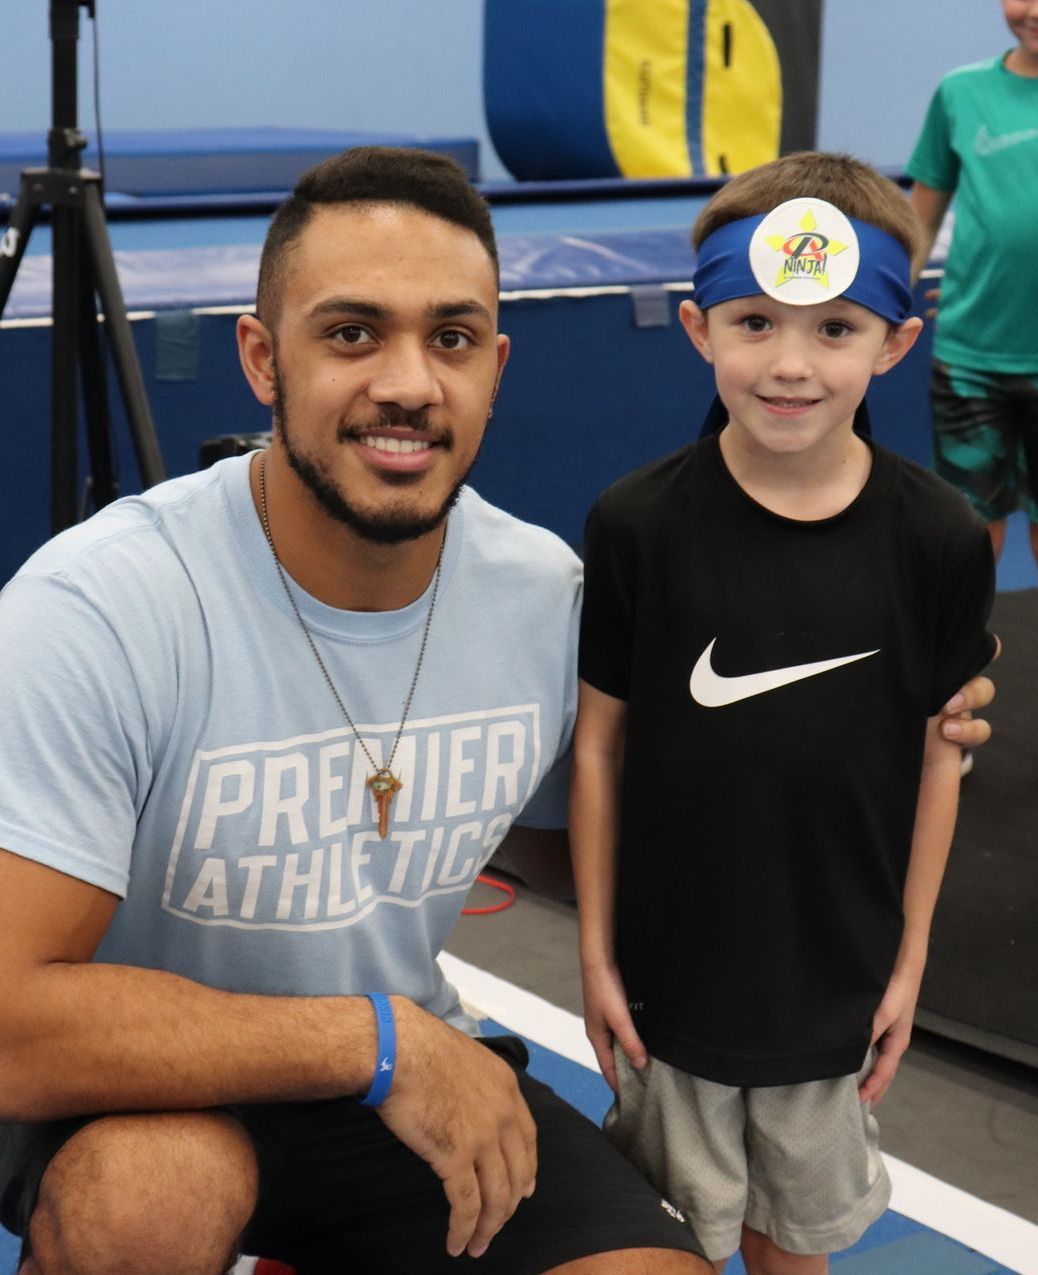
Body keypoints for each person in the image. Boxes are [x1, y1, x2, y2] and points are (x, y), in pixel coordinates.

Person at [0, 145, 994, 1275]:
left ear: (499, 366)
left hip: (404, 1086)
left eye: (454, 339)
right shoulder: (101, 608)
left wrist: (879, 715)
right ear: (262, 358)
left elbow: (645, 802)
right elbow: (7, 1031)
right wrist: (373, 1042)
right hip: (162, 1095)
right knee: (147, 1203)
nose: (411, 384)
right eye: (352, 333)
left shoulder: (541, 598)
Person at [571, 151, 999, 1275]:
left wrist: (907, 966)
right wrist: (596, 952)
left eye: (836, 329)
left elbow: (938, 761)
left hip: (834, 982)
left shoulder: (942, 540)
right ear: (697, 326)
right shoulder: (634, 525)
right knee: (666, 1245)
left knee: (792, 1247)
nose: (791, 365)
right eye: (755, 323)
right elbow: (602, 748)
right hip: (672, 981)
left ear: (897, 343)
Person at [906, 0, 1038, 565]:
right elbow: (921, 221)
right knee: (969, 525)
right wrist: (883, 301)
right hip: (971, 360)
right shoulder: (960, 92)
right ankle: (969, 651)